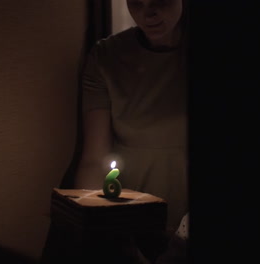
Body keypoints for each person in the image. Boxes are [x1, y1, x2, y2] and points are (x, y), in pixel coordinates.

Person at [73, 0, 189, 262]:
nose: (148, 12)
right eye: (137, 1)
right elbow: (93, 159)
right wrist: (97, 228)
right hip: (131, 221)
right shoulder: (106, 56)